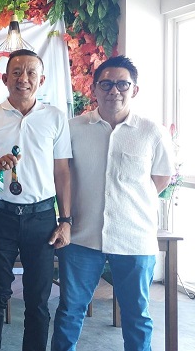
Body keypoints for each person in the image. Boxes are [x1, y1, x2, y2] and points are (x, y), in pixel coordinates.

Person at [50, 56, 174, 351]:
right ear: (94, 89)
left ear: (135, 89)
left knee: (136, 316)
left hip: (134, 239)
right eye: (106, 84)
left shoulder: (152, 131)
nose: (113, 90)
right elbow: (62, 174)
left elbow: (161, 178)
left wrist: (129, 204)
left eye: (122, 84)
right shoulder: (73, 128)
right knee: (70, 311)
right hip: (82, 236)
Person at [0, 49, 72, 351]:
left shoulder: (55, 118)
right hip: (0, 215)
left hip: (42, 218)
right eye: (16, 72)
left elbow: (62, 171)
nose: (24, 78)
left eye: (31, 72)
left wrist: (65, 220)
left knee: (38, 299)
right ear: (4, 78)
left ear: (41, 79)